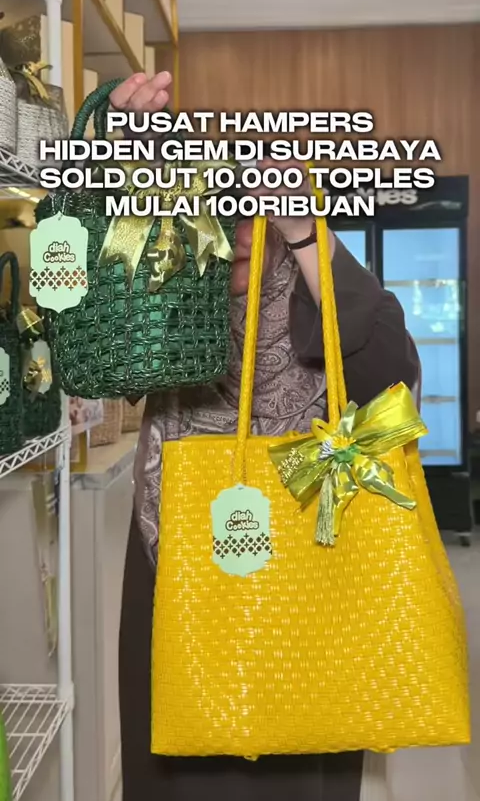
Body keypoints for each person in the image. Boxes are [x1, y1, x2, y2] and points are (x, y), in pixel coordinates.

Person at [112, 71, 419, 801]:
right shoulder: (170, 305)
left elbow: (392, 379)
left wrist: (306, 233)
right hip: (183, 577)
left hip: (308, 589)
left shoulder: (320, 293)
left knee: (295, 771)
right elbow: (102, 328)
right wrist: (131, 160)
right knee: (185, 767)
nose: (238, 235)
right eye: (219, 215)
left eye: (253, 214)